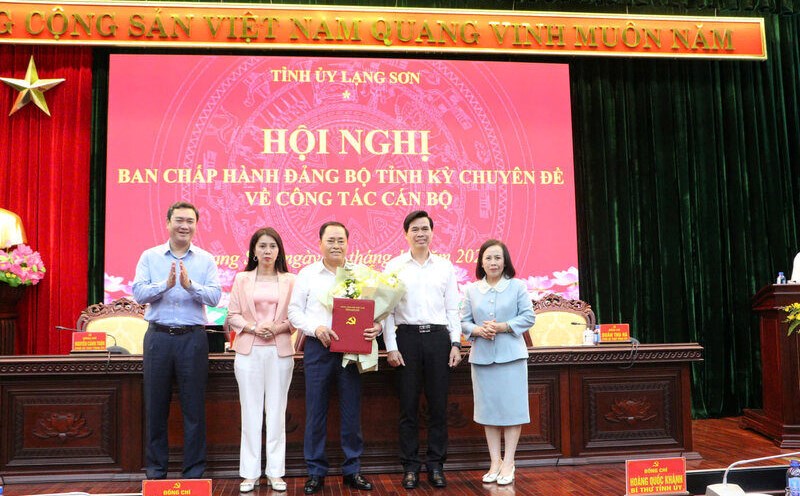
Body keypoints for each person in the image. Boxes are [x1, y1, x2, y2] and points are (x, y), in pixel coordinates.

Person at [287, 221, 381, 495]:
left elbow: (374, 310)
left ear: (348, 244)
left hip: (351, 349)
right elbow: (294, 312)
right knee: (315, 411)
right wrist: (315, 328)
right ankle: (315, 472)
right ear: (320, 244)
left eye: (341, 240)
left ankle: (352, 470)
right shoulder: (307, 274)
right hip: (318, 348)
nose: (336, 245)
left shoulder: (358, 275)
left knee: (351, 411)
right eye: (331, 240)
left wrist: (375, 326)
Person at [132, 201, 221, 479]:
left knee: (193, 408)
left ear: (196, 225)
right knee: (155, 407)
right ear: (168, 223)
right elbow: (139, 293)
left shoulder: (205, 259)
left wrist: (191, 286)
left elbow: (215, 297)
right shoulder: (150, 256)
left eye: (190, 221)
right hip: (158, 337)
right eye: (179, 220)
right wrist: (165, 286)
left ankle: (193, 472)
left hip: (192, 339)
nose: (184, 226)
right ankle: (156, 472)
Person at [383, 210, 462, 490]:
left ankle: (436, 465)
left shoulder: (444, 267)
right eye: (415, 229)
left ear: (432, 232)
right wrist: (391, 347)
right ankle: (410, 467)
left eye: (425, 229)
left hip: (439, 339)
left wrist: (455, 343)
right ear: (406, 234)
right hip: (407, 340)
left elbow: (453, 308)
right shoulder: (393, 267)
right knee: (408, 407)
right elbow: (387, 312)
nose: (420, 233)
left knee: (439, 407)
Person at [225, 227, 295, 492]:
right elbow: (232, 315)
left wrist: (277, 328)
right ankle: (250, 473)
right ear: (253, 251)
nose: (267, 251)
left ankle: (276, 472)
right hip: (248, 351)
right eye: (262, 246)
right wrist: (254, 328)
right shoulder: (242, 279)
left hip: (279, 351)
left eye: (272, 246)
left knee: (276, 412)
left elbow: (295, 315)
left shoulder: (291, 280)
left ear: (279, 251)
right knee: (250, 412)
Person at [460, 239, 535, 486]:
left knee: (512, 411)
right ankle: (494, 462)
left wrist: (504, 326)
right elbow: (463, 321)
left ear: (505, 262)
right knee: (488, 412)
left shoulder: (517, 287)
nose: (493, 262)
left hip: (512, 357)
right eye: (488, 258)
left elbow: (529, 317)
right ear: (481, 261)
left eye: (497, 258)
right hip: (482, 358)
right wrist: (477, 331)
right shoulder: (471, 290)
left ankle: (509, 462)